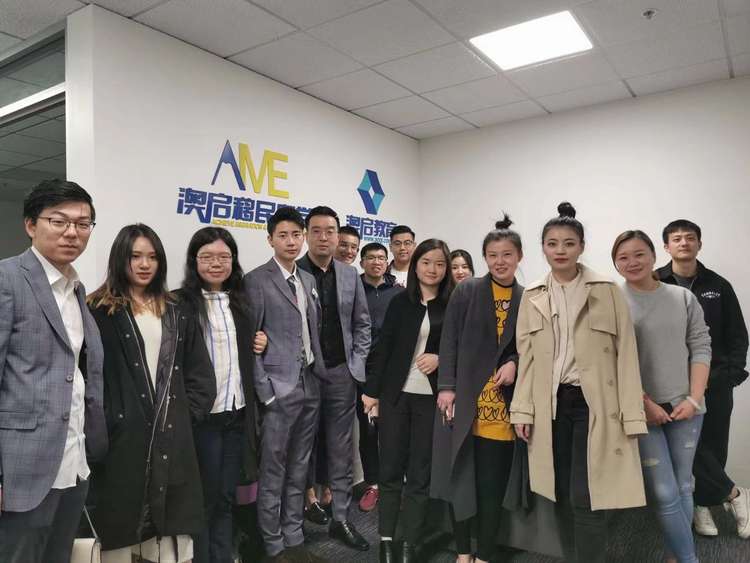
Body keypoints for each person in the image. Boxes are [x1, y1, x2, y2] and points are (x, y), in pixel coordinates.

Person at [510, 202, 647, 563]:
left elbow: (626, 355)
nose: (561, 250)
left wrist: (632, 415)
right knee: (558, 491)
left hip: (593, 403)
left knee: (588, 495)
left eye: (569, 243)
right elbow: (527, 357)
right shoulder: (533, 294)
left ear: (581, 247)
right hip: (550, 405)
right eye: (552, 243)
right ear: (543, 248)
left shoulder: (606, 289)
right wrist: (522, 410)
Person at [88, 224, 216, 563]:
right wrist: (111, 421)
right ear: (120, 259)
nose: (144, 264)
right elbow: (90, 378)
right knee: (120, 534)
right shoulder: (98, 309)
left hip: (172, 438)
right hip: (121, 441)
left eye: (152, 257)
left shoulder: (175, 309)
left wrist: (183, 417)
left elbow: (201, 376)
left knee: (170, 534)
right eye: (135, 256)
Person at [0, 180, 107, 563]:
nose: (72, 233)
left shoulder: (75, 288)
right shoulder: (7, 279)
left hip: (73, 464)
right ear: (31, 225)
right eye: (59, 221)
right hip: (21, 470)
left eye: (82, 223)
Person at [614, 230, 711, 563]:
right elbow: (612, 360)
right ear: (616, 263)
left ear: (654, 256)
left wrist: (694, 399)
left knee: (683, 486)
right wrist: (645, 403)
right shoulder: (613, 301)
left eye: (639, 254)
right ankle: (689, 559)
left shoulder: (682, 297)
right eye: (623, 257)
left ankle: (674, 555)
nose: (632, 262)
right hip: (640, 409)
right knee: (664, 491)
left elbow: (701, 346)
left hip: (687, 407)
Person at [432, 216, 523, 563]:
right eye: (492, 255)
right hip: (463, 404)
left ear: (519, 256)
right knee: (459, 482)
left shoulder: (526, 297)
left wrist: (514, 361)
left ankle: (484, 554)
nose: (500, 261)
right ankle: (462, 552)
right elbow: (449, 340)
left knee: (491, 488)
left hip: (502, 411)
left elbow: (529, 347)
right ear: (484, 257)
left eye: (507, 254)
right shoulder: (468, 290)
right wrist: (446, 387)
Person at [176, 227, 267, 563]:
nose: (216, 263)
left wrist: (262, 340)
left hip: (237, 415)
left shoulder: (241, 303)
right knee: (205, 500)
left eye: (224, 257)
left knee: (227, 497)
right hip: (203, 418)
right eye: (207, 257)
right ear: (194, 261)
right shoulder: (180, 304)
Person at [657, 219, 750, 539]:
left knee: (713, 445)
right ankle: (733, 493)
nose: (684, 243)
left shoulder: (719, 285)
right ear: (666, 246)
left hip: (715, 381)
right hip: (670, 384)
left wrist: (728, 376)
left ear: (699, 244)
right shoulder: (654, 282)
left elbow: (738, 335)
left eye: (690, 238)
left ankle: (703, 505)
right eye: (676, 238)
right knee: (682, 446)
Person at [363, 239, 454, 563]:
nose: (433, 269)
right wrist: (372, 392)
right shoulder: (400, 302)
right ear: (415, 266)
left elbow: (463, 347)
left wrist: (440, 357)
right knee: (389, 468)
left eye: (440, 263)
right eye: (426, 262)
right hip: (396, 396)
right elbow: (384, 348)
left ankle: (409, 542)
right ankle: (387, 539)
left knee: (419, 473)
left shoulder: (452, 304)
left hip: (431, 399)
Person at [243, 207, 326, 563]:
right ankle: (273, 544)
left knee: (300, 467)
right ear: (270, 240)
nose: (291, 242)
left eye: (296, 235)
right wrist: (265, 390)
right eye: (283, 236)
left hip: (309, 383)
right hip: (278, 389)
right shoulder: (257, 280)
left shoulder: (306, 279)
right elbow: (250, 340)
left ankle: (294, 537)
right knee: (273, 470)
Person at [297, 206, 371, 551]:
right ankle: (295, 521)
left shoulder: (349, 274)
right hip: (305, 376)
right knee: (302, 449)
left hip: (342, 373)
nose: (323, 237)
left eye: (330, 231)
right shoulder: (293, 272)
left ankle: (341, 518)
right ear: (306, 235)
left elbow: (362, 323)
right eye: (316, 231)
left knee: (341, 451)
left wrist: (356, 365)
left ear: (338, 236)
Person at [357, 242, 404, 513]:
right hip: (361, 370)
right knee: (367, 430)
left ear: (387, 262)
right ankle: (373, 484)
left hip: (391, 370)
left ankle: (393, 482)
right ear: (362, 261)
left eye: (381, 258)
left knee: (392, 428)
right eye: (371, 257)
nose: (376, 262)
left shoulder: (398, 292)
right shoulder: (353, 289)